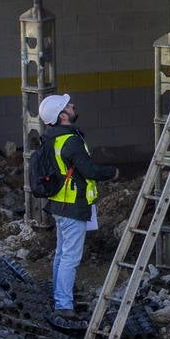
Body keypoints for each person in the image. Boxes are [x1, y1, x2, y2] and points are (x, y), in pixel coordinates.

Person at [40, 93, 119, 319]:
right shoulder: (71, 141)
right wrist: (112, 172)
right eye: (69, 105)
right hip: (73, 207)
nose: (73, 105)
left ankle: (58, 295)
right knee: (70, 258)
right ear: (63, 115)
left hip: (59, 205)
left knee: (61, 254)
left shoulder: (51, 137)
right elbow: (89, 171)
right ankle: (63, 305)